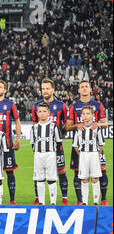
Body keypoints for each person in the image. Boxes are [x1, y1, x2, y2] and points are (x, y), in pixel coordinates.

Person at [65, 80, 108, 205]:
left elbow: (105, 123)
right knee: (78, 173)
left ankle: (103, 199)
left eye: (86, 87)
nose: (84, 89)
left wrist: (98, 124)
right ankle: (81, 201)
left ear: (90, 90)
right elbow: (68, 126)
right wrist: (78, 125)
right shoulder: (73, 106)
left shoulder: (98, 105)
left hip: (94, 146)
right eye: (82, 87)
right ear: (78, 90)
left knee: (101, 171)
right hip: (81, 145)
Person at [32, 77, 69, 205]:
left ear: (53, 90)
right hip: (41, 147)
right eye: (43, 89)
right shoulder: (36, 106)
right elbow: (34, 125)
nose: (45, 91)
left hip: (56, 146)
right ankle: (39, 198)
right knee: (39, 172)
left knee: (61, 170)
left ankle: (64, 197)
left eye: (47, 88)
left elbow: (66, 123)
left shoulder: (61, 106)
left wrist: (59, 134)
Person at [30, 102, 62, 205]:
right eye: (40, 111)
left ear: (49, 112)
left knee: (51, 178)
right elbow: (32, 143)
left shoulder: (53, 126)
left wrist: (52, 152)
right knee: (39, 179)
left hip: (50, 154)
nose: (42, 113)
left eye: (44, 111)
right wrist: (37, 152)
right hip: (38, 155)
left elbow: (58, 142)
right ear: (37, 113)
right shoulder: (34, 128)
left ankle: (53, 202)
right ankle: (41, 202)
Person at [72, 106, 105, 205]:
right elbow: (75, 145)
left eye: (88, 113)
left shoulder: (96, 128)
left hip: (94, 154)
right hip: (83, 155)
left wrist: (96, 153)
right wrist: (81, 154)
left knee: (95, 178)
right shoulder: (79, 129)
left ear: (92, 115)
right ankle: (85, 202)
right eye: (84, 114)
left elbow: (101, 144)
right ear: (81, 116)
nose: (85, 116)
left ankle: (95, 202)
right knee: (84, 179)